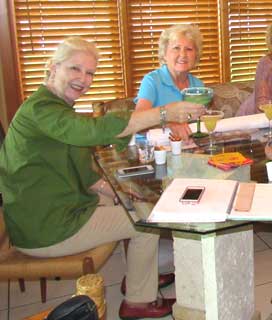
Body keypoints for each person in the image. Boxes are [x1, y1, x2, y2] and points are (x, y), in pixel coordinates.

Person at [0, 37, 204, 318]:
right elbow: (92, 132)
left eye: (90, 73)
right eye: (75, 69)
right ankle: (138, 301)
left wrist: (117, 192)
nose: (83, 79)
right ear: (53, 67)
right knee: (148, 220)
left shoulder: (54, 107)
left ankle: (139, 277)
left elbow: (82, 169)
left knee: (134, 205)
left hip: (51, 211)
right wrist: (164, 113)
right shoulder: (40, 109)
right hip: (46, 227)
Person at [135, 24, 204, 142]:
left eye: (189, 49)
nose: (183, 55)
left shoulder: (198, 85)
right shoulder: (152, 81)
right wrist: (169, 123)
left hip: (186, 147)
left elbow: (202, 124)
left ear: (196, 56)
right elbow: (138, 121)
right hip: (153, 149)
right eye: (176, 48)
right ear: (164, 54)